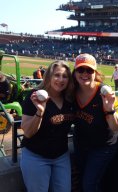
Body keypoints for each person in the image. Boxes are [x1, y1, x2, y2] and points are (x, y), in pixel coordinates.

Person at [20, 60, 75, 192]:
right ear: (49, 76)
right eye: (57, 75)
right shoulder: (34, 96)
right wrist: (40, 111)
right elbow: (27, 132)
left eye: (65, 76)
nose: (60, 80)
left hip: (61, 156)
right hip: (36, 155)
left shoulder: (69, 99)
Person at [72, 53, 118, 192]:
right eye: (80, 70)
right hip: (81, 143)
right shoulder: (71, 91)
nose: (84, 74)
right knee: (84, 179)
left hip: (103, 146)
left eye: (89, 70)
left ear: (95, 73)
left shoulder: (104, 93)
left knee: (89, 185)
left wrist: (109, 110)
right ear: (75, 73)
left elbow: (117, 126)